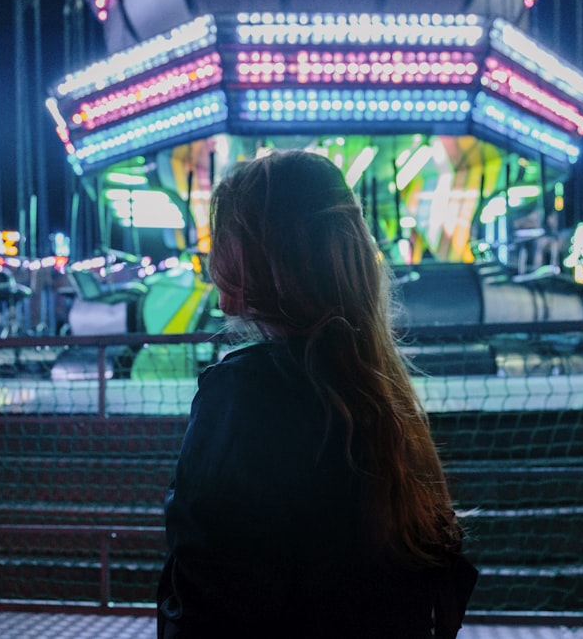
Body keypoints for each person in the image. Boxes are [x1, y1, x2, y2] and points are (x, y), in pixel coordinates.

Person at [157, 150, 477, 638]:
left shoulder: (243, 394)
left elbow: (207, 592)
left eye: (225, 236)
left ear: (259, 257)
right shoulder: (378, 390)